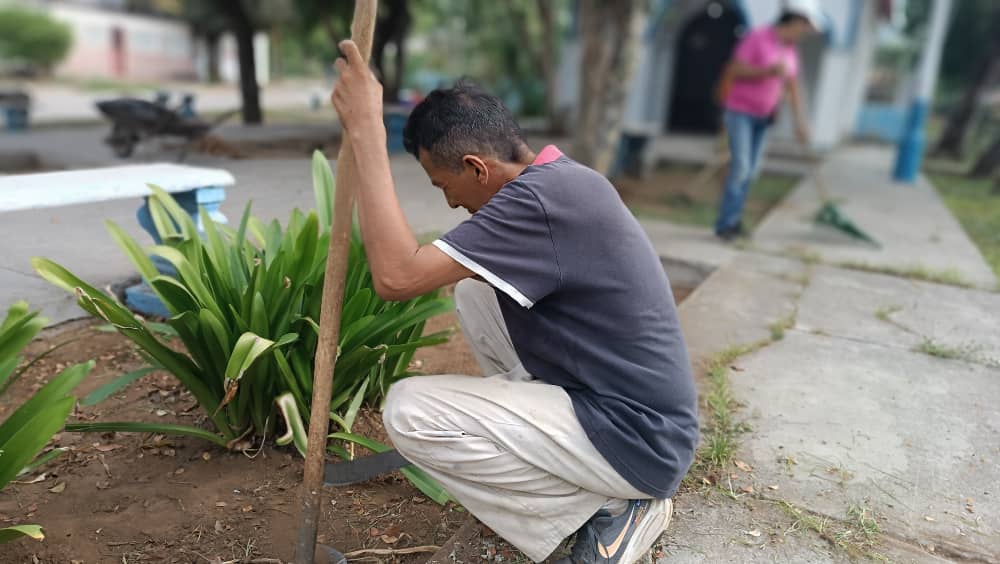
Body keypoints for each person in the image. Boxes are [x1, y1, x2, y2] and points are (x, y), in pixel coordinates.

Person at [331, 43, 698, 564]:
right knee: (477, 288)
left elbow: (395, 276)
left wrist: (367, 132)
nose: (451, 203)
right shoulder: (561, 181)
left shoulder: (539, 205)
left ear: (478, 168)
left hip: (637, 442)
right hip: (635, 416)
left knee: (409, 411)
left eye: (445, 185)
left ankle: (615, 505)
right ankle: (573, 465)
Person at [714, 0, 823, 240]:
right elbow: (733, 69)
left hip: (764, 117)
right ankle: (725, 224)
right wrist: (768, 72)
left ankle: (734, 221)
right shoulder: (758, 38)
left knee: (751, 171)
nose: (803, 34)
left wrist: (800, 123)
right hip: (740, 112)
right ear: (793, 22)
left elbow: (793, 87)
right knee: (741, 167)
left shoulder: (791, 50)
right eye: (803, 28)